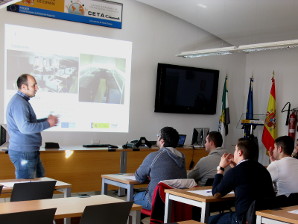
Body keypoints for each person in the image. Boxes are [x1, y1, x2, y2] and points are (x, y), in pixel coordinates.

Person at [208, 138, 275, 224]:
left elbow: (216, 193)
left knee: (208, 220)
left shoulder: (235, 172)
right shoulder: (263, 169)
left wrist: (220, 168)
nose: (234, 153)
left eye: (235, 150)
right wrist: (235, 167)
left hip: (243, 219)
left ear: (240, 153)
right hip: (262, 218)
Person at [6, 74, 59, 179]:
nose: (37, 88)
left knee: (40, 182)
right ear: (24, 87)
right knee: (27, 188)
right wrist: (48, 123)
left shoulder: (22, 101)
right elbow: (25, 128)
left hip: (28, 151)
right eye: (34, 85)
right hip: (24, 152)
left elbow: (30, 122)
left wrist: (47, 121)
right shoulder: (19, 103)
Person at [134, 126, 187, 210]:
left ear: (162, 141)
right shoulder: (182, 157)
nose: (157, 138)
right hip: (175, 202)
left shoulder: (154, 156)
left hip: (155, 201)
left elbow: (139, 177)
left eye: (158, 136)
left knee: (132, 198)